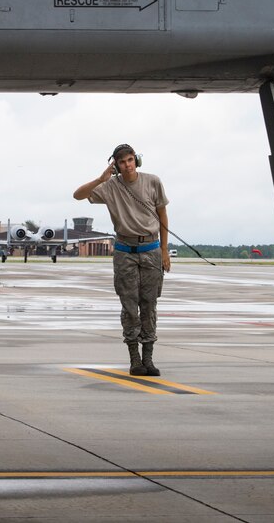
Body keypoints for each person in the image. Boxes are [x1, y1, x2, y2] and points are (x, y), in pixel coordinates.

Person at [74, 143, 170, 376]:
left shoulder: (153, 181)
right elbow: (78, 195)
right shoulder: (110, 187)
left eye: (130, 160)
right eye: (122, 162)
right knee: (129, 307)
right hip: (125, 250)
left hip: (151, 248)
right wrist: (101, 178)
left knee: (149, 304)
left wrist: (165, 251)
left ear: (136, 160)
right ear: (115, 165)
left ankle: (148, 358)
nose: (127, 165)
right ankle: (135, 359)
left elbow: (163, 215)